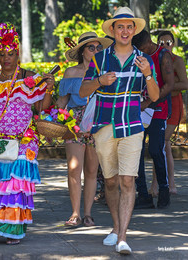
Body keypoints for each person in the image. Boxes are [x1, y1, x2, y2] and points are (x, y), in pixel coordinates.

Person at [79, 7, 160, 254]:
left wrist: (147, 74)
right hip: (104, 126)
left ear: (134, 30)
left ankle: (123, 236)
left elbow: (155, 96)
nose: (125, 31)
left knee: (127, 180)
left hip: (132, 125)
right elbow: (83, 91)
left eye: (129, 26)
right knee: (111, 182)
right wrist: (99, 82)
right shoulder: (99, 59)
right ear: (113, 30)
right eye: (120, 27)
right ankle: (116, 227)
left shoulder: (143, 60)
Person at [0, 22, 55, 245]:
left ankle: (13, 228)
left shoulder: (30, 79)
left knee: (15, 183)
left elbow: (42, 110)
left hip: (24, 141)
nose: (7, 58)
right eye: (2, 54)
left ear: (18, 53)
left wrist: (49, 88)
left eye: (11, 53)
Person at [56, 32, 113, 227]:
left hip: (98, 120)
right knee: (74, 169)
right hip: (75, 121)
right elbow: (62, 102)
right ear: (82, 51)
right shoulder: (71, 73)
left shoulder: (105, 71)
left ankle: (87, 214)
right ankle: (75, 213)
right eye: (91, 48)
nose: (96, 51)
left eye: (99, 48)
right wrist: (55, 121)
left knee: (91, 170)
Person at [132, 30, 174, 209]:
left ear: (149, 42)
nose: (140, 52)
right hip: (137, 110)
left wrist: (148, 102)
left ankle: (164, 190)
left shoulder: (163, 55)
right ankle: (143, 194)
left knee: (156, 150)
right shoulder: (136, 55)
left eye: (141, 48)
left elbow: (170, 85)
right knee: (137, 153)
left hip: (158, 110)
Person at [148, 31, 188, 196]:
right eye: (161, 43)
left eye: (168, 43)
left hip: (173, 104)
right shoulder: (155, 58)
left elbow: (185, 83)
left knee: (161, 143)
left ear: (173, 43)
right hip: (159, 105)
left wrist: (168, 86)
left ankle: (157, 185)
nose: (165, 46)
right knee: (165, 146)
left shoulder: (177, 60)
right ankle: (170, 184)